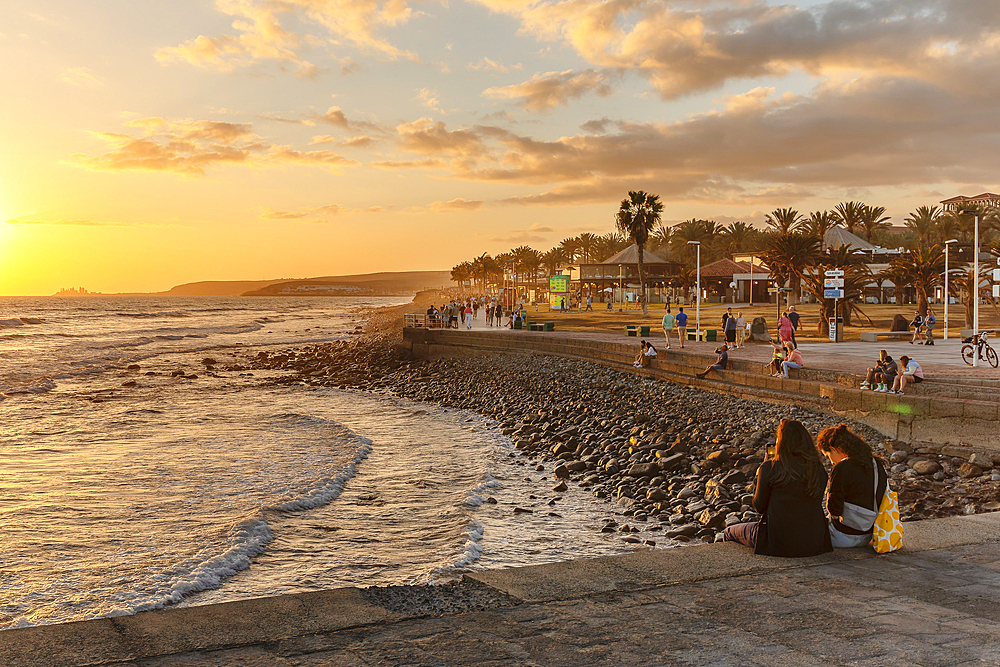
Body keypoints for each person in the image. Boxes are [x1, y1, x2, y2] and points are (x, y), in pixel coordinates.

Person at [723, 420, 833, 557]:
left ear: (780, 442)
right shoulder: (817, 468)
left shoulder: (770, 467)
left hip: (778, 542)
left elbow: (759, 507)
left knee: (728, 532)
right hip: (814, 542)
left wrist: (759, 474)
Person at [815, 424, 888, 548]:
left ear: (835, 448)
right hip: (867, 535)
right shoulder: (877, 465)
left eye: (828, 456)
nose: (831, 461)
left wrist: (830, 490)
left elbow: (834, 510)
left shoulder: (842, 468)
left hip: (842, 536)